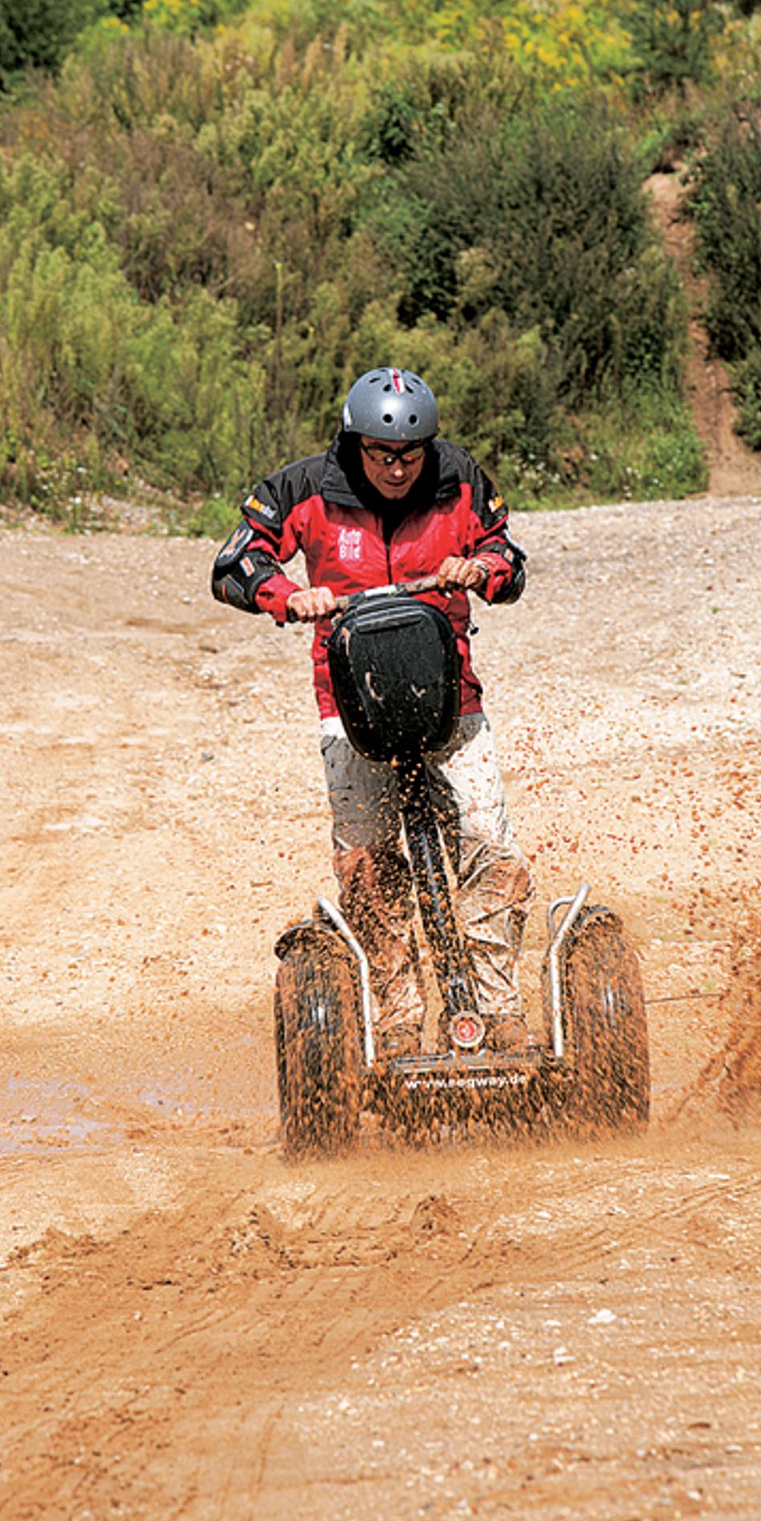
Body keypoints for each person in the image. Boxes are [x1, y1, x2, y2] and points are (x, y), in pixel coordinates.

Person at [211, 366, 533, 1056]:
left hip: (451, 697)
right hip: (351, 706)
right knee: (367, 864)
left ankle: (500, 1009)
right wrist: (287, 596)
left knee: (488, 848)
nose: (396, 468)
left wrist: (482, 570)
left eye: (410, 456)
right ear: (355, 442)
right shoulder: (304, 488)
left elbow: (509, 554)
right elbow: (235, 562)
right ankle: (396, 1020)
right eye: (383, 455)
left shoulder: (460, 480)